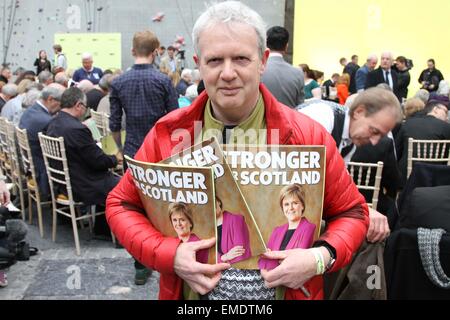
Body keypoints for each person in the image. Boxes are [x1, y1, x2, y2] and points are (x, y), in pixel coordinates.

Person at [106, 1, 369, 301]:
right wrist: (170, 254)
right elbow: (121, 205)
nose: (227, 73)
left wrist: (320, 258)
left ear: (263, 60)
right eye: (215, 60)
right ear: (199, 63)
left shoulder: (307, 135)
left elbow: (352, 212)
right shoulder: (167, 134)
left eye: (241, 59)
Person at [109, 30, 178, 286]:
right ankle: (167, 258)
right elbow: (175, 120)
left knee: (135, 207)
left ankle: (141, 264)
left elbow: (114, 124)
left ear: (132, 51)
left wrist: (120, 148)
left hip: (132, 150)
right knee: (163, 205)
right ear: (156, 51)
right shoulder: (162, 81)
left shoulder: (118, 82)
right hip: (159, 152)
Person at [299, 88, 403, 242]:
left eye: (380, 136)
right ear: (359, 112)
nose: (374, 142)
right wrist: (363, 210)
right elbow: (304, 179)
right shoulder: (322, 116)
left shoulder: (350, 138)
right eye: (374, 131)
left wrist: (361, 209)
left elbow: (340, 184)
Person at [46, 87, 122, 236]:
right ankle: (117, 232)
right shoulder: (76, 129)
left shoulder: (54, 122)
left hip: (64, 182)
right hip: (83, 183)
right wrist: (115, 159)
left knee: (113, 178)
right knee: (125, 185)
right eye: (85, 107)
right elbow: (98, 161)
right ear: (78, 105)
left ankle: (102, 228)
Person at [19, 85, 64, 196]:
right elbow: (59, 151)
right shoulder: (46, 120)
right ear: (50, 99)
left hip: (30, 166)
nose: (60, 108)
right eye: (60, 104)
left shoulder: (30, 111)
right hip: (44, 173)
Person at [258, 184, 316, 271]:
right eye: (286, 204)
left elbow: (296, 263)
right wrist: (273, 259)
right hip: (273, 279)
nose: (290, 208)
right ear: (282, 208)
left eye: (295, 203)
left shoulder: (309, 228)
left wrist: (271, 257)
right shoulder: (277, 231)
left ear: (302, 205)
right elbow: (261, 262)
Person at [261, 26, 304, 108]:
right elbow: (300, 106)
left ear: (266, 44)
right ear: (286, 46)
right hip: (288, 119)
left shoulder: (258, 69)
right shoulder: (298, 73)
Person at [215, 197, 251, 264]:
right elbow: (208, 258)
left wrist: (220, 259)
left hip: (236, 270)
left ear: (218, 202)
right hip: (218, 270)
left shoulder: (236, 219)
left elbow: (240, 252)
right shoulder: (208, 229)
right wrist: (225, 257)